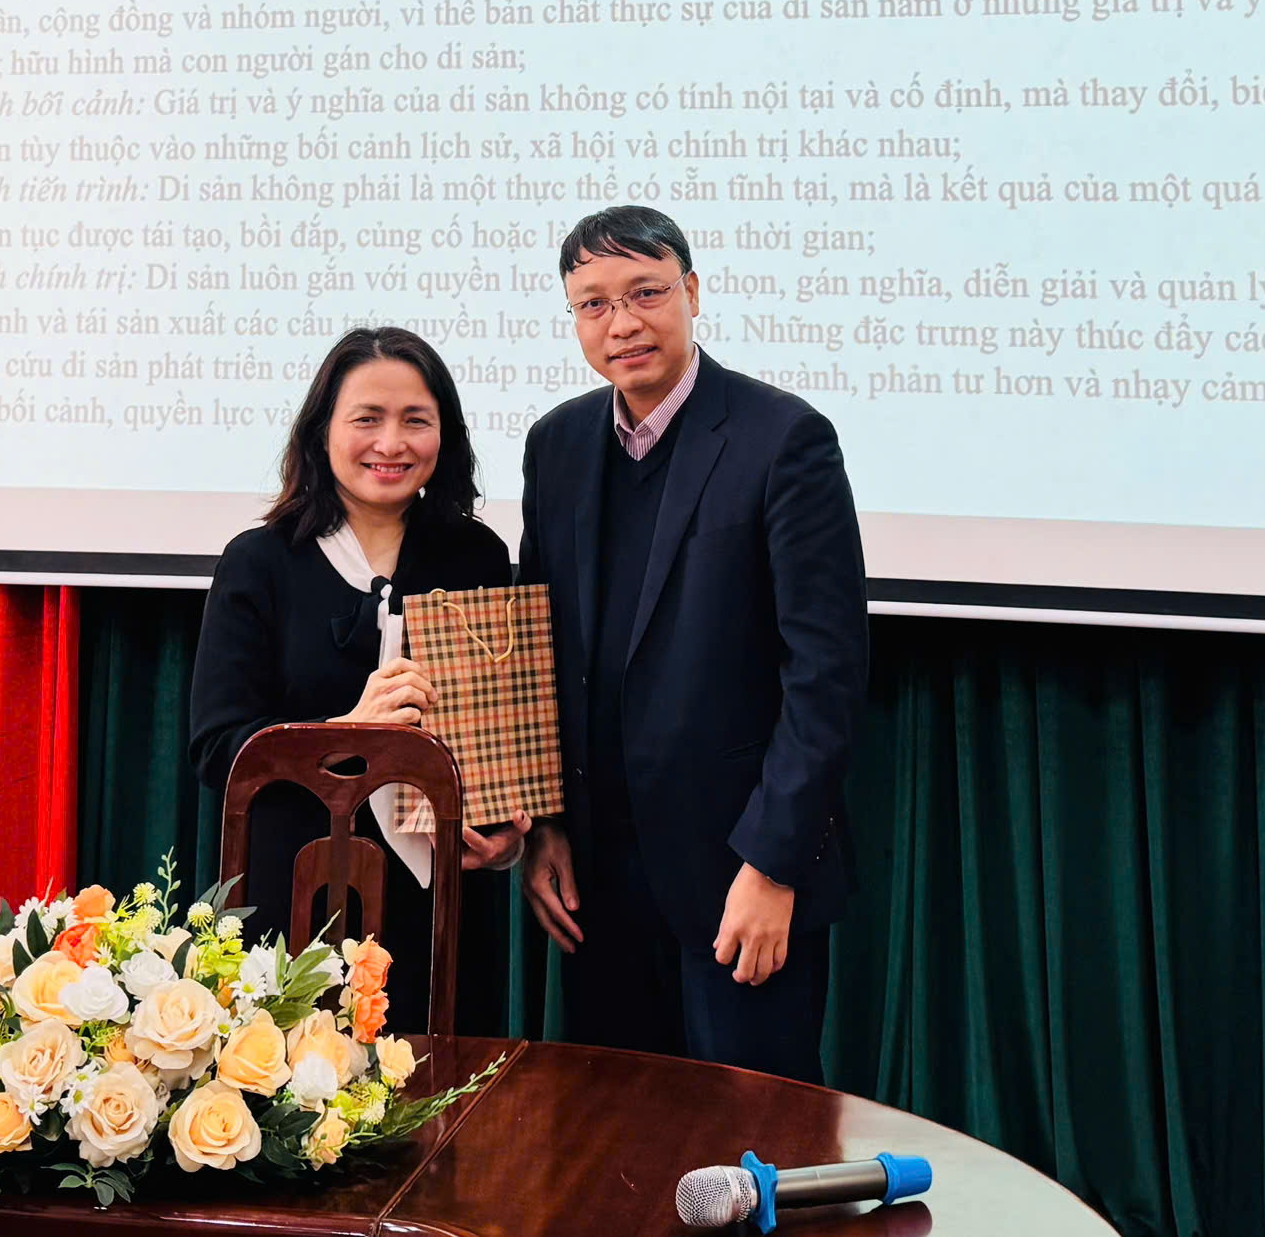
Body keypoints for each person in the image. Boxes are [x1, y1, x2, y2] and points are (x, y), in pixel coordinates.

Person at [519, 205, 867, 1081]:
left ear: (693, 292)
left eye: (646, 293)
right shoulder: (556, 445)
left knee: (752, 1138)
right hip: (595, 882)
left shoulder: (784, 439)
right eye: (594, 304)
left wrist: (774, 866)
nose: (622, 323)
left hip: (738, 878)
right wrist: (545, 825)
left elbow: (825, 674)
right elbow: (539, 654)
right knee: (614, 1134)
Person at [189, 326, 520, 1034]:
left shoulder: (478, 557)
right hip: (297, 893)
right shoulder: (260, 561)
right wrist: (346, 733)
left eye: (416, 420)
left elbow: (496, 736)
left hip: (442, 904)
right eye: (367, 418)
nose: (391, 443)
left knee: (446, 1084)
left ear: (446, 435)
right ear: (322, 431)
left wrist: (506, 835)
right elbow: (218, 750)